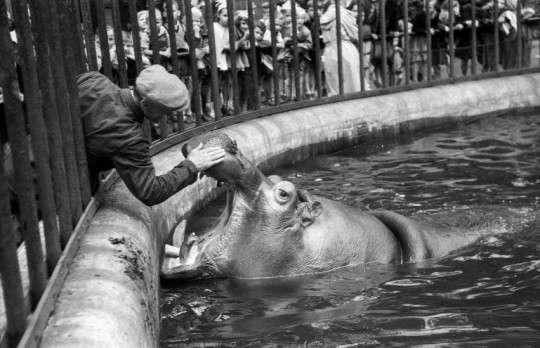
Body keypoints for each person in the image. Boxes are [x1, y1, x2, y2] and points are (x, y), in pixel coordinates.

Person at [76, 64, 226, 206]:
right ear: (145, 104)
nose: (167, 117)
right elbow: (150, 191)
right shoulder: (128, 136)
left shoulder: (93, 79)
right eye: (165, 111)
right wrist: (192, 166)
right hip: (70, 184)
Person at [320, 0, 360, 96]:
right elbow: (354, 35)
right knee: (352, 86)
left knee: (334, 87)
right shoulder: (344, 13)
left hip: (329, 50)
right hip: (345, 48)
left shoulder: (325, 15)